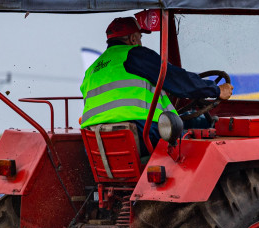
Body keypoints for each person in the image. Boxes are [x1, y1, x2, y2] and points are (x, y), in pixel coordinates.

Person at [80, 16, 233, 148]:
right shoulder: (136, 55)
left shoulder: (92, 69)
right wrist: (216, 90)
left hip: (95, 139)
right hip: (139, 132)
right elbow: (176, 79)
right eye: (140, 37)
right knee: (199, 134)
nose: (140, 41)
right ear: (133, 39)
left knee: (188, 122)